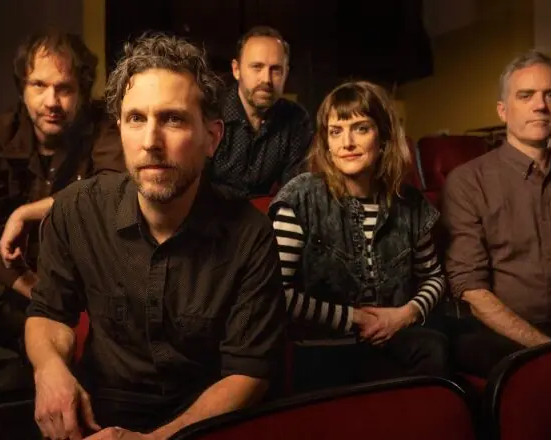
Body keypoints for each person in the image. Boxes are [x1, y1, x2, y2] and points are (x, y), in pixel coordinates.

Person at [25, 33, 287, 439]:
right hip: (99, 416)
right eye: (136, 119)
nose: (150, 142)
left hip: (205, 421)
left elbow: (248, 373)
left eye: (173, 119)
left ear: (212, 138)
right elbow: (48, 312)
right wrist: (50, 369)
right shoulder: (77, 210)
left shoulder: (250, 236)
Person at [0, 30, 123, 356]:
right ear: (23, 88)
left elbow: (113, 187)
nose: (51, 102)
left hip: (81, 256)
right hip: (16, 259)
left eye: (64, 88)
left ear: (82, 92)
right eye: (39, 85)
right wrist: (30, 287)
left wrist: (27, 212)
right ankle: (41, 347)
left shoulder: (103, 126)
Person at [442, 51, 551, 377]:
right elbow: (471, 287)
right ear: (503, 110)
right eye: (526, 96)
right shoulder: (468, 182)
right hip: (499, 337)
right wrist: (548, 352)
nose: (540, 105)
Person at [268, 81, 449, 393]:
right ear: (325, 142)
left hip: (393, 337)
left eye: (360, 128)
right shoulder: (301, 197)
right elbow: (274, 294)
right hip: (324, 347)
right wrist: (353, 318)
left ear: (383, 137)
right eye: (335, 131)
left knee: (435, 347)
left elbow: (434, 276)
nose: (347, 142)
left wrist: (404, 315)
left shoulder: (409, 203)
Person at [207, 26, 313, 198]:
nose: (266, 79)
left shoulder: (296, 119)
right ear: (236, 70)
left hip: (266, 219)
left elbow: (295, 191)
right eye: (257, 67)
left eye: (276, 69)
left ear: (286, 72)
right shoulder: (210, 113)